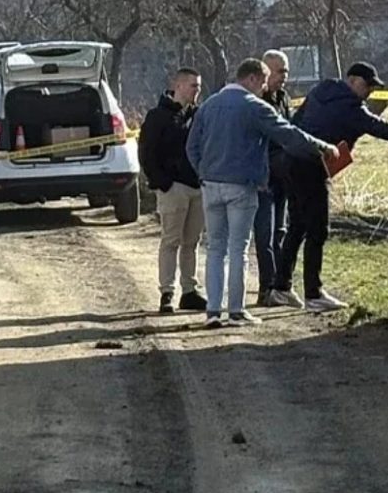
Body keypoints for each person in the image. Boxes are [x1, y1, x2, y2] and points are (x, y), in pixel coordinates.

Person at [268, 61, 388, 312]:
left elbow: (296, 122)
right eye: (368, 87)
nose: (369, 93)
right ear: (353, 81)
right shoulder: (353, 110)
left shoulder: (322, 89)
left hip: (289, 161)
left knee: (297, 225)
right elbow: (387, 130)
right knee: (318, 229)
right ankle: (314, 293)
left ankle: (281, 287)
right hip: (312, 167)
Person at [186, 59, 337, 329]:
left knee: (216, 249)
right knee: (239, 249)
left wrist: (203, 172)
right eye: (263, 83)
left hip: (210, 184)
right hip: (241, 185)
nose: (264, 89)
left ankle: (213, 311)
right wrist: (323, 147)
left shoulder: (208, 105)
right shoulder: (254, 106)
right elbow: (288, 134)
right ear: (253, 78)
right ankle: (236, 310)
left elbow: (192, 146)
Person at [139, 67, 208, 314]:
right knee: (171, 241)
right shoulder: (158, 116)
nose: (197, 90)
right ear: (178, 86)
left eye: (199, 86)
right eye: (193, 85)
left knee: (192, 242)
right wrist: (162, 183)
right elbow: (146, 153)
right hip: (173, 188)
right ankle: (166, 292)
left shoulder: (198, 115)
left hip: (197, 187)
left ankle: (189, 291)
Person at [253, 50, 293, 306]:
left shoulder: (283, 98)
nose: (284, 76)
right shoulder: (256, 101)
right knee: (264, 235)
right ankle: (266, 287)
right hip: (263, 178)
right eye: (280, 71)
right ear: (266, 71)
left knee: (280, 232)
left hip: (283, 177)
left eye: (286, 71)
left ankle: (280, 286)